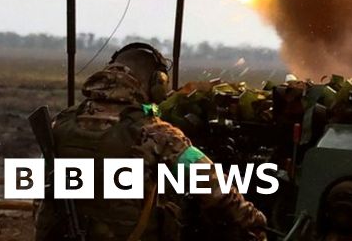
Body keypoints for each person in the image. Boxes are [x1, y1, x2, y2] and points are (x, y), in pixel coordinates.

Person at [34, 42, 268, 241]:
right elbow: (213, 186)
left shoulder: (61, 122)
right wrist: (253, 219)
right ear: (157, 84)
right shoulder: (156, 133)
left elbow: (43, 189)